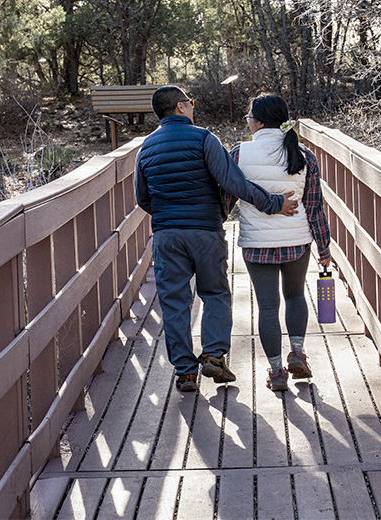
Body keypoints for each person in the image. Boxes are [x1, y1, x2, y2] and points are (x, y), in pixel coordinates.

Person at [135, 86, 299, 393]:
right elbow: (233, 182)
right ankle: (213, 355)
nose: (193, 106)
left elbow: (142, 198)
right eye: (191, 102)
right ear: (182, 107)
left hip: (167, 235)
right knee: (215, 293)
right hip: (205, 231)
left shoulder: (146, 147)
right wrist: (274, 203)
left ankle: (184, 372)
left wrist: (169, 215)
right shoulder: (203, 138)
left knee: (174, 302)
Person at [224, 94, 332, 392]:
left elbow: (226, 200)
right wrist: (324, 248)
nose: (247, 121)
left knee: (267, 307)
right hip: (297, 242)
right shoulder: (304, 155)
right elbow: (315, 207)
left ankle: (276, 371)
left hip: (257, 244)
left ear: (258, 121)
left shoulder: (239, 154)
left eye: (248, 116)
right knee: (296, 296)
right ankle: (297, 352)